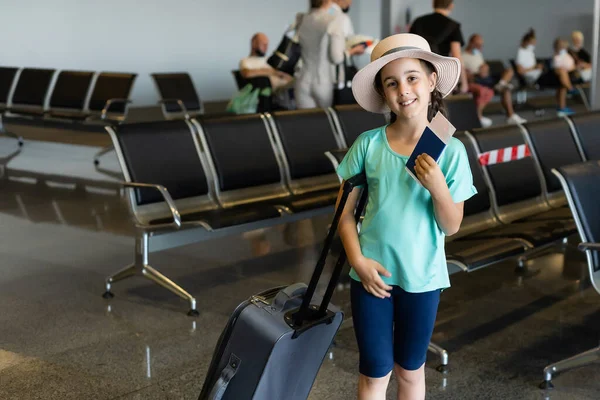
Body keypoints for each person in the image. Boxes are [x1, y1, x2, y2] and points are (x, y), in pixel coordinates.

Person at [336, 33, 477, 400]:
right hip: (371, 276)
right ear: (383, 93)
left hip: (423, 277)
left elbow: (452, 224)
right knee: (374, 373)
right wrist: (358, 262)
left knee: (410, 371)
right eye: (392, 82)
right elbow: (344, 214)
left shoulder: (451, 152)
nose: (404, 89)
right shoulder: (368, 145)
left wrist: (438, 187)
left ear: (432, 81)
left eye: (413, 77)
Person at [295, 0, 364, 109]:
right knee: (326, 123)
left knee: (307, 124)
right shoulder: (335, 20)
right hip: (323, 82)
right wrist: (353, 51)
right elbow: (336, 57)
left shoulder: (302, 18)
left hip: (301, 80)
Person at [463, 34, 526, 125]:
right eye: (478, 45)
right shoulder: (462, 55)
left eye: (481, 45)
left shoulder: (478, 54)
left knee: (509, 73)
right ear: (471, 43)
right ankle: (500, 87)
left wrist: (485, 68)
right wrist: (475, 73)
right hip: (477, 78)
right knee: (502, 89)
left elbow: (483, 66)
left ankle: (510, 115)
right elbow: (463, 73)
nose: (480, 48)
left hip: (487, 77)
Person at [409, 0, 469, 94]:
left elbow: (409, 46)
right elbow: (456, 55)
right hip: (441, 72)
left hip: (417, 69)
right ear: (451, 6)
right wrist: (464, 83)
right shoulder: (453, 26)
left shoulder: (418, 21)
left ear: (433, 4)